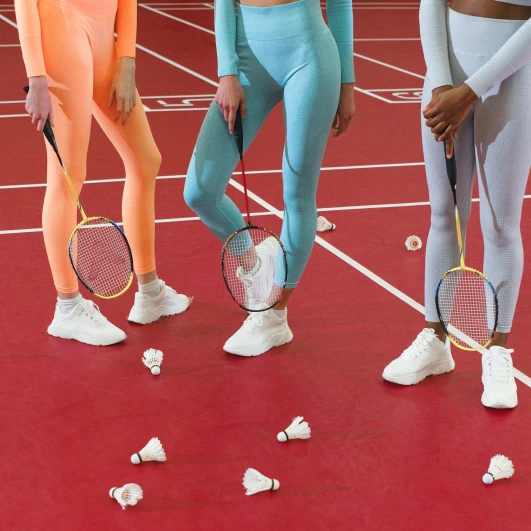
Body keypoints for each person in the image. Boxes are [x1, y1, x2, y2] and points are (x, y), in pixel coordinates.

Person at [184, 0, 355, 357]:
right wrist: (226, 73)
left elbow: (339, 3)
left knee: (297, 192)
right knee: (200, 190)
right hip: (246, 58)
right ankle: (255, 264)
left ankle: (274, 315)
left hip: (309, 55)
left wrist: (347, 83)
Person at [16, 0, 191, 347]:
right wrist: (36, 76)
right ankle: (68, 308)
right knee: (69, 176)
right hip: (61, 31)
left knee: (146, 161)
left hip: (104, 42)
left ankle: (150, 291)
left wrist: (127, 61)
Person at [383, 0, 531, 409]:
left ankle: (496, 349)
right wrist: (441, 86)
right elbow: (432, 4)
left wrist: (468, 92)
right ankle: (435, 339)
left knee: (500, 224)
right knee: (443, 214)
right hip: (444, 77)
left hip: (514, 81)